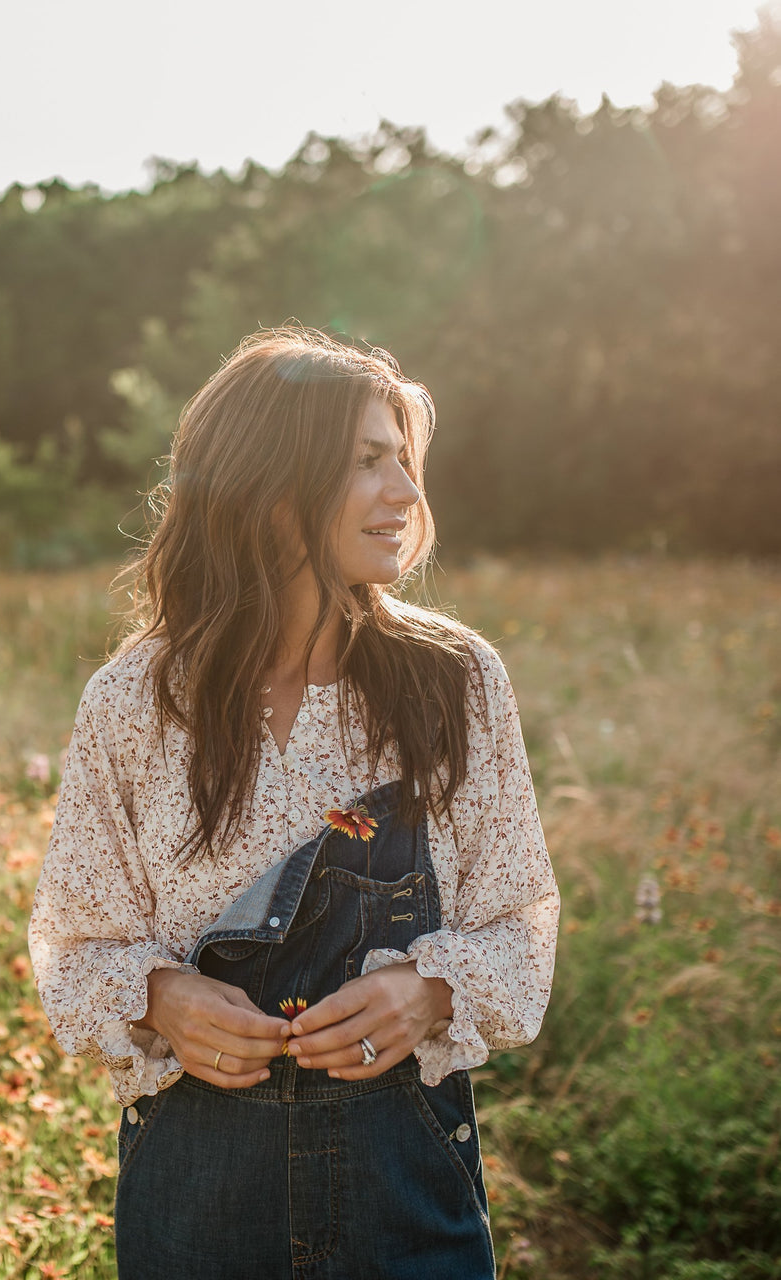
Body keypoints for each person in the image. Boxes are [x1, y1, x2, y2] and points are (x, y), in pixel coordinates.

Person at [28, 327, 560, 1279]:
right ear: (267, 483)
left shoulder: (457, 681)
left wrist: (429, 990)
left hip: (404, 1180)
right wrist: (160, 996)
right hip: (198, 1193)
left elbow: (520, 924)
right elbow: (74, 947)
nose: (405, 493)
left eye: (405, 461)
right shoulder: (137, 699)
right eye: (367, 462)